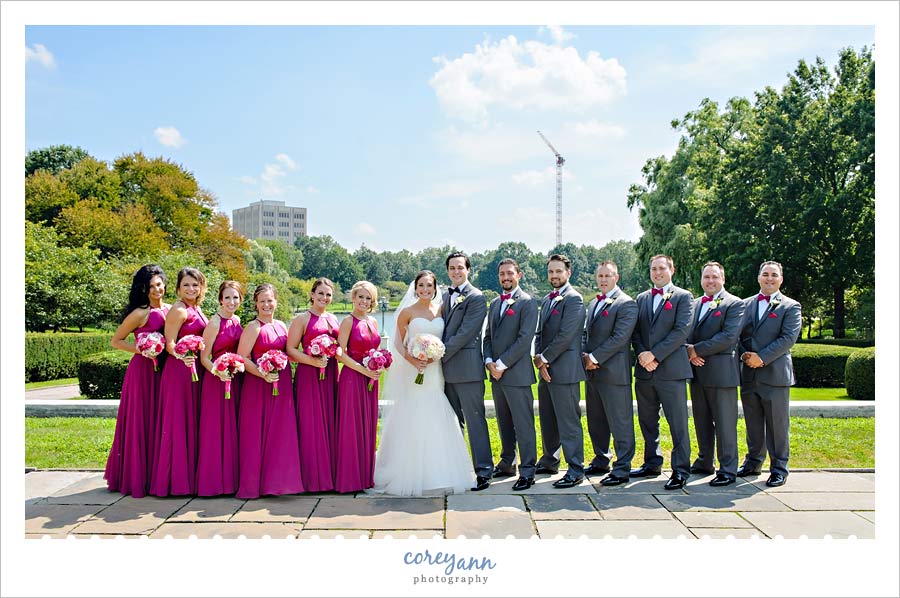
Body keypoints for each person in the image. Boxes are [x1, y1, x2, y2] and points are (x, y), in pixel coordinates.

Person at [369, 270, 474, 496]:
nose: (425, 289)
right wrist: (414, 360)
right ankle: (406, 469)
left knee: (436, 410)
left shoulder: (442, 310)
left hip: (435, 370)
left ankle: (438, 471)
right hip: (413, 369)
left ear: (435, 288)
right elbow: (398, 343)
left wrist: (434, 354)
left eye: (429, 285)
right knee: (413, 411)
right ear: (415, 287)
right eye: (421, 285)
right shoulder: (407, 312)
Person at [104, 264, 170, 498]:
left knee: (160, 422)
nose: (156, 290)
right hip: (142, 373)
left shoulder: (171, 310)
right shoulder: (140, 313)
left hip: (164, 371)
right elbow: (116, 341)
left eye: (159, 284)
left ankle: (156, 475)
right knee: (142, 421)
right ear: (143, 289)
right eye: (151, 287)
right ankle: (136, 477)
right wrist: (142, 350)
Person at [630, 254, 695, 490]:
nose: (657, 273)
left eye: (661, 268)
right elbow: (635, 332)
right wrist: (642, 355)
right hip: (645, 372)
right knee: (647, 421)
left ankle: (680, 470)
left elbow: (681, 332)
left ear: (671, 269)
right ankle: (652, 462)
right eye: (653, 269)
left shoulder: (683, 297)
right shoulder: (642, 298)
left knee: (677, 423)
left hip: (671, 371)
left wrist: (654, 355)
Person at [737, 261, 802, 488]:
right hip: (749, 374)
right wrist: (746, 356)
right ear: (759, 278)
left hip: (775, 375)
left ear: (781, 279)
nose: (769, 278)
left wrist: (761, 358)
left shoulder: (791, 307)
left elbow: (788, 339)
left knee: (777, 424)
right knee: (753, 423)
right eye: (765, 274)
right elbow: (738, 336)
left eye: (774, 275)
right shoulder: (745, 305)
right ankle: (753, 462)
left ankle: (779, 468)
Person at [235, 283, 303, 498]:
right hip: (258, 386)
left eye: (270, 300)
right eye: (262, 300)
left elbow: (289, 352)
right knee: (257, 433)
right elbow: (242, 357)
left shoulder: (282, 325)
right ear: (256, 303)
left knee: (279, 433)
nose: (266, 304)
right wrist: (262, 373)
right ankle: (254, 486)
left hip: (281, 385)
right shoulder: (253, 327)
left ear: (276, 302)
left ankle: (277, 483)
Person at [685, 262, 746, 487]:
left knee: (724, 423)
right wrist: (687, 351)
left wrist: (695, 350)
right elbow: (684, 332)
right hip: (697, 372)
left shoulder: (734, 304)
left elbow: (728, 337)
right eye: (706, 277)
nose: (710, 281)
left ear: (723, 279)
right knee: (701, 420)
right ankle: (704, 461)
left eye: (714, 277)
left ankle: (728, 469)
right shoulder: (694, 304)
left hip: (722, 374)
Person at [150, 267, 209, 497]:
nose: (191, 289)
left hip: (195, 373)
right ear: (178, 288)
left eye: (195, 285)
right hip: (179, 373)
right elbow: (169, 343)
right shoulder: (178, 310)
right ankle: (173, 482)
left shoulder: (197, 308)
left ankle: (191, 478)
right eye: (186, 285)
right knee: (178, 424)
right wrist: (182, 354)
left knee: (192, 423)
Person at [483, 258, 539, 491]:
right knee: (504, 422)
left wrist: (502, 363)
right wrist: (488, 362)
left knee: (523, 424)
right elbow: (487, 337)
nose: (506, 278)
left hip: (516, 374)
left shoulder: (527, 303)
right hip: (496, 375)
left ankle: (527, 471)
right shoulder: (495, 303)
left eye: (510, 274)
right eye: (502, 274)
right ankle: (507, 463)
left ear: (519, 275)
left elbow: (524, 339)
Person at [581, 260, 638, 487]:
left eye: (608, 275)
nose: (603, 279)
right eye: (600, 275)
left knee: (620, 422)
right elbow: (585, 333)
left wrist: (593, 358)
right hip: (592, 373)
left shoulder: (626, 304)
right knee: (596, 421)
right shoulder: (594, 303)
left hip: (614, 375)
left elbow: (620, 338)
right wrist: (584, 356)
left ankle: (622, 468)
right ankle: (601, 459)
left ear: (617, 277)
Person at [532, 254, 587, 489]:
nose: (554, 275)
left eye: (558, 271)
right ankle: (550, 460)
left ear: (568, 273)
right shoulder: (547, 299)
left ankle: (575, 469)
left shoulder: (574, 299)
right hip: (545, 370)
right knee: (548, 419)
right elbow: (539, 334)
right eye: (551, 272)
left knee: (568, 422)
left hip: (564, 371)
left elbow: (566, 335)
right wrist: (539, 359)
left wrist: (544, 359)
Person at [441, 251, 492, 491]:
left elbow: (467, 333)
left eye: (460, 267)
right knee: (452, 423)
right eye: (452, 268)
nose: (456, 272)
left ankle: (483, 471)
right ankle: (458, 469)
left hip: (468, 370)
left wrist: (438, 352)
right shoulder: (445, 296)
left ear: (468, 270)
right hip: (445, 372)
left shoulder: (477, 297)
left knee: (475, 421)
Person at [287, 278, 341, 492]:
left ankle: (330, 477)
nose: (324, 298)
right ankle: (311, 480)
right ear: (311, 294)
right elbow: (290, 350)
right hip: (309, 375)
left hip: (329, 375)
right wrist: (313, 360)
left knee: (329, 421)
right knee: (310, 424)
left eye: (328, 294)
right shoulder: (302, 319)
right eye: (320, 293)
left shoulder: (334, 318)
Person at [333, 281, 382, 493]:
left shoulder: (373, 321)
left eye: (368, 298)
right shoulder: (347, 321)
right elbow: (339, 353)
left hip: (370, 379)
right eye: (360, 297)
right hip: (353, 379)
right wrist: (363, 370)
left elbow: (376, 350)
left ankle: (365, 477)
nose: (364, 301)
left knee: (367, 424)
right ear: (353, 298)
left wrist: (379, 364)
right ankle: (349, 480)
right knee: (351, 426)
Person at [196, 280, 244, 496]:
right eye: (227, 297)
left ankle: (231, 481)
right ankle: (213, 483)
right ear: (220, 299)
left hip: (234, 381)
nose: (231, 302)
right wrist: (218, 372)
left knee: (232, 428)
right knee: (215, 429)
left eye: (235, 297)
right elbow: (203, 357)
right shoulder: (214, 324)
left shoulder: (237, 320)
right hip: (216, 382)